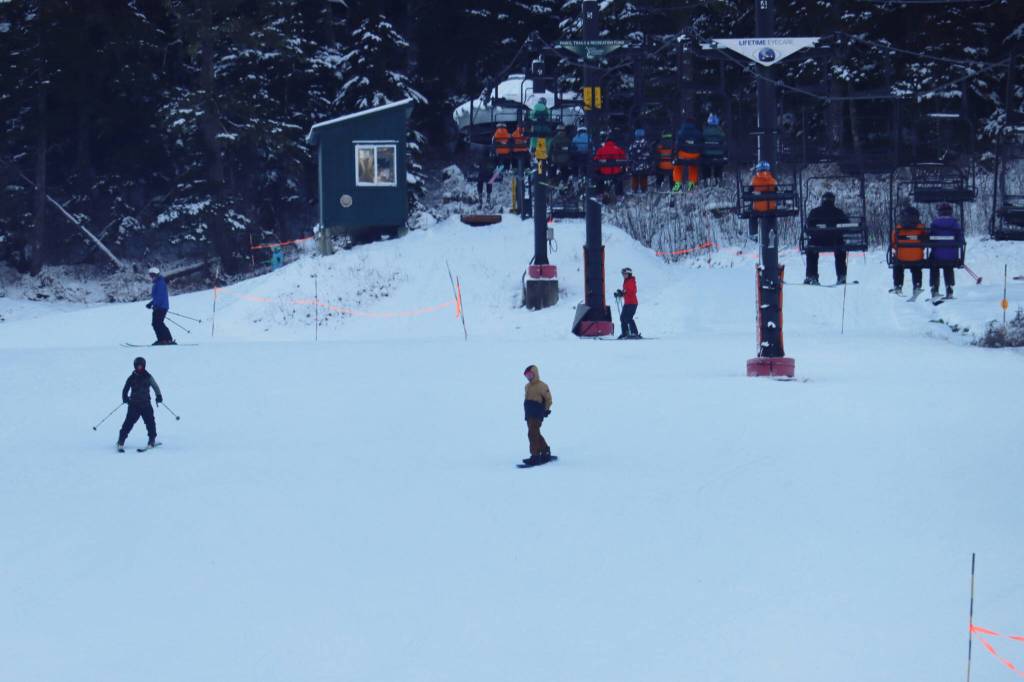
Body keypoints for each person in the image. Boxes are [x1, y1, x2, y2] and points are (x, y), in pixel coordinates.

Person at [117, 356, 163, 452]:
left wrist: (158, 396)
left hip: (146, 404)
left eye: (141, 366)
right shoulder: (131, 377)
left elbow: (155, 386)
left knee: (150, 422)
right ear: (135, 366)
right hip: (134, 404)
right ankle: (121, 441)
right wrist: (124, 397)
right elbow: (125, 389)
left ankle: (152, 440)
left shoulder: (148, 376)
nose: (139, 367)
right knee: (128, 423)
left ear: (144, 366)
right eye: (138, 366)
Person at [804, 191, 850, 285]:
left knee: (811, 251)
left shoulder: (815, 212)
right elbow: (847, 226)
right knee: (840, 251)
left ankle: (811, 276)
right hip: (835, 241)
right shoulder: (838, 212)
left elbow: (808, 227)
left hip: (817, 242)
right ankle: (841, 275)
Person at [890, 205, 926, 296]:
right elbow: (925, 242)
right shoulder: (921, 228)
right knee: (916, 267)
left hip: (901, 257)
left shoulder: (898, 229)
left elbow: (894, 243)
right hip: (917, 257)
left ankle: (898, 286)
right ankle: (917, 285)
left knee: (898, 265)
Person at [928, 202, 962, 299]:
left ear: (939, 213)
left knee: (933, 263)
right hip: (952, 255)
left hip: (937, 255)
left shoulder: (934, 223)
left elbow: (930, 237)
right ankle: (949, 289)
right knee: (948, 265)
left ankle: (935, 289)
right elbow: (960, 239)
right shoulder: (955, 223)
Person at [522, 365, 553, 466]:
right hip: (529, 413)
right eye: (527, 375)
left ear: (535, 374)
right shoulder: (527, 386)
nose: (528, 377)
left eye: (530, 374)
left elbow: (548, 399)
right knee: (535, 433)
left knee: (532, 434)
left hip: (537, 413)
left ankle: (535, 456)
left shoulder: (542, 386)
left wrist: (546, 410)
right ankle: (545, 452)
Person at [673, 117, 703, 191]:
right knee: (693, 166)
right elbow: (701, 144)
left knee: (677, 165)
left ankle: (678, 184)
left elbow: (678, 145)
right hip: (694, 155)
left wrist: (675, 153)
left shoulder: (681, 131)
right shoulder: (697, 132)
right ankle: (691, 184)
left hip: (683, 155)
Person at [749, 161, 778, 238]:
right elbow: (777, 190)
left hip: (758, 208)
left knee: (752, 215)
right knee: (772, 215)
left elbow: (750, 191)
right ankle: (772, 229)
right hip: (771, 207)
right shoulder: (772, 180)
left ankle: (753, 233)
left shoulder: (754, 180)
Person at [147, 266, 175, 345]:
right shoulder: (158, 282)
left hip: (160, 307)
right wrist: (151, 303)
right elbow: (157, 297)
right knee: (157, 323)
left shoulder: (159, 283)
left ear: (156, 275)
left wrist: (154, 305)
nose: (151, 277)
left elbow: (159, 296)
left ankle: (166, 339)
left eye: (152, 275)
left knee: (157, 323)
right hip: (160, 306)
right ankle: (163, 339)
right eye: (150, 275)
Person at [593, 134, 627, 199]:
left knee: (598, 176)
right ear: (613, 142)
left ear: (606, 141)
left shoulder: (601, 149)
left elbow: (595, 159)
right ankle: (619, 194)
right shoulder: (618, 149)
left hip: (604, 173)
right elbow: (624, 159)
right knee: (619, 177)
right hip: (616, 172)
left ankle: (599, 193)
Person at [614, 267, 641, 339]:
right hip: (627, 303)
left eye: (625, 274)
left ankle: (634, 333)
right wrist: (619, 293)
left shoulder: (631, 281)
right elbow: (625, 291)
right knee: (622, 318)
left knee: (628, 317)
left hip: (632, 303)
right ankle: (625, 333)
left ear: (629, 274)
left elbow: (631, 291)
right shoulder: (626, 281)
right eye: (623, 274)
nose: (623, 275)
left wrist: (622, 293)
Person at [701, 113, 727, 183]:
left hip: (707, 153)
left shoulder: (705, 130)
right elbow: (723, 139)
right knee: (718, 163)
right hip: (718, 153)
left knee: (705, 163)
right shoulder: (720, 130)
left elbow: (702, 139)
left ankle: (707, 178)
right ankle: (717, 177)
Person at [627, 128, 653, 194]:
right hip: (644, 165)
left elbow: (629, 154)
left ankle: (634, 188)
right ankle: (644, 189)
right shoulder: (646, 143)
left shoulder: (633, 144)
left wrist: (630, 163)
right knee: (644, 175)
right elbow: (650, 154)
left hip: (634, 165)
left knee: (634, 175)